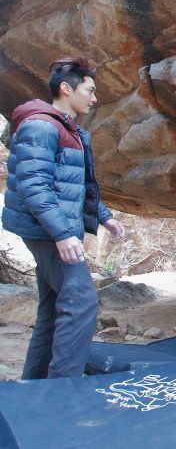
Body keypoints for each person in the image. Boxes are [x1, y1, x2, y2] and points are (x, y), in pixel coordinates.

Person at [1, 56, 125, 379]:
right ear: (67, 88)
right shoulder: (41, 126)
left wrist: (104, 217)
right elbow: (33, 184)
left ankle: (35, 387)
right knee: (81, 301)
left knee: (54, 309)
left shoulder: (68, 129)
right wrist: (61, 234)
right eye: (90, 90)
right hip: (47, 232)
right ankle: (61, 394)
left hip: (54, 229)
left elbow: (75, 187)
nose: (95, 98)